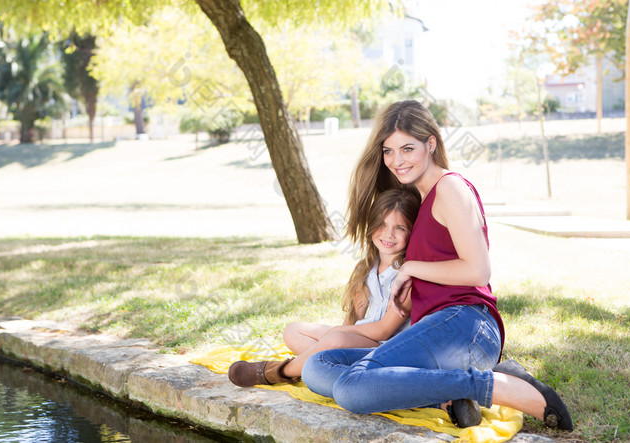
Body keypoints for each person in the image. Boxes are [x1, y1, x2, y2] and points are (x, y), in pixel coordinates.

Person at [301, 100, 573, 431]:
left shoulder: (450, 188)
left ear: (431, 143)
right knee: (317, 366)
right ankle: (450, 394)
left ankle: (495, 387)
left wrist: (412, 268)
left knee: (350, 389)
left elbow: (478, 271)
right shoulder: (421, 197)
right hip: (432, 332)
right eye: (388, 151)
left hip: (466, 325)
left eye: (407, 148)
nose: (396, 161)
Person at [227, 188, 421, 387]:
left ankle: (276, 372)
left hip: (383, 347)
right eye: (382, 224)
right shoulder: (367, 267)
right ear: (371, 226)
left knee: (334, 339)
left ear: (412, 232)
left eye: (400, 228)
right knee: (293, 331)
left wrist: (339, 334)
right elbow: (353, 318)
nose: (388, 234)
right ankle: (325, 364)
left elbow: (383, 331)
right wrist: (341, 332)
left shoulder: (409, 275)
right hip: (355, 337)